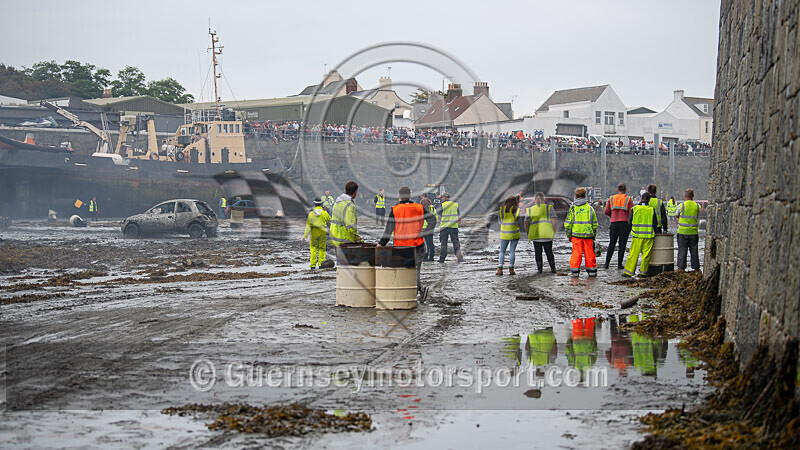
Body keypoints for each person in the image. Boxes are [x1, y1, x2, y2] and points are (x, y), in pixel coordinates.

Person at [379, 187, 429, 302]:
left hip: (401, 246)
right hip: (418, 244)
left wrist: (381, 244)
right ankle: (418, 290)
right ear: (410, 195)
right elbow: (432, 219)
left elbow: (388, 230)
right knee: (416, 270)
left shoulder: (395, 209)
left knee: (404, 270)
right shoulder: (418, 207)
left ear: (399, 195)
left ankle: (408, 293)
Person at [623, 193, 659, 277]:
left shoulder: (634, 209)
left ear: (641, 199)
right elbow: (655, 224)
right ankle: (643, 272)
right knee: (646, 256)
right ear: (649, 200)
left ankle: (629, 272)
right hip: (648, 236)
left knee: (633, 254)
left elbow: (629, 222)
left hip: (637, 236)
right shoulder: (651, 209)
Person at [565, 187, 598, 277]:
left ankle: (575, 273)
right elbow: (594, 224)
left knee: (576, 254)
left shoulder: (572, 209)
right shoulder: (590, 208)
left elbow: (567, 224)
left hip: (576, 236)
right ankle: (592, 273)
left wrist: (569, 235)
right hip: (588, 235)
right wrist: (594, 234)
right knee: (590, 254)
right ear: (585, 196)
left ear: (575, 196)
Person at [603, 183, 634, 269]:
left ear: (618, 189)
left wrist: (612, 216)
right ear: (625, 189)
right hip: (624, 224)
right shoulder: (628, 199)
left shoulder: (611, 198)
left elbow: (606, 211)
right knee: (622, 245)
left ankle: (607, 263)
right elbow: (631, 213)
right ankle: (619, 264)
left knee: (612, 243)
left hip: (614, 223)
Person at [525, 192, 556, 273]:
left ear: (534, 200)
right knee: (549, 251)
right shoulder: (549, 208)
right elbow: (554, 221)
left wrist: (528, 232)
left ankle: (540, 269)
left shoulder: (530, 209)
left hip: (536, 234)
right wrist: (554, 231)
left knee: (538, 253)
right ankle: (553, 268)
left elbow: (526, 222)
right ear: (544, 199)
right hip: (547, 234)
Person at [330, 181, 362, 249]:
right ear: (355, 192)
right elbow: (351, 226)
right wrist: (358, 239)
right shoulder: (349, 205)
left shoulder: (337, 202)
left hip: (335, 239)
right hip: (345, 241)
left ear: (345, 190)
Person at [675, 188, 701, 272]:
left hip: (682, 231)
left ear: (685, 196)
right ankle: (696, 268)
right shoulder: (697, 206)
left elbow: (676, 215)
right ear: (693, 196)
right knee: (694, 250)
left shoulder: (681, 205)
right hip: (693, 232)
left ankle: (681, 267)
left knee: (682, 250)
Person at [496, 196, 522, 275]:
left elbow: (499, 222)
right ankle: (511, 269)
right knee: (512, 251)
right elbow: (519, 223)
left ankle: (500, 269)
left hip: (504, 234)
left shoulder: (502, 210)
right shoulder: (517, 210)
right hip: (514, 233)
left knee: (502, 251)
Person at [303, 198, 331, 269]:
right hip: (322, 232)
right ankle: (321, 264)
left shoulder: (311, 214)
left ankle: (312, 265)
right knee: (322, 249)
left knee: (313, 249)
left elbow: (308, 226)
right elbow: (329, 220)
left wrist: (305, 236)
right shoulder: (324, 213)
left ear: (314, 204)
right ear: (321, 204)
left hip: (314, 232)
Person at [436, 192, 464, 263]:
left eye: (442, 198)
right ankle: (460, 258)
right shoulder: (455, 204)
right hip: (454, 227)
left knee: (443, 243)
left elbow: (439, 217)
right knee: (455, 242)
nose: (441, 199)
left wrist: (440, 224)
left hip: (444, 227)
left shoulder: (442, 205)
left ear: (445, 197)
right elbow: (458, 217)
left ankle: (442, 259)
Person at [420, 197, 437, 262]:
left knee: (424, 243)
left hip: (423, 228)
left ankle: (425, 257)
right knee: (430, 242)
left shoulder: (421, 210)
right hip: (430, 228)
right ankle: (432, 256)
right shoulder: (433, 209)